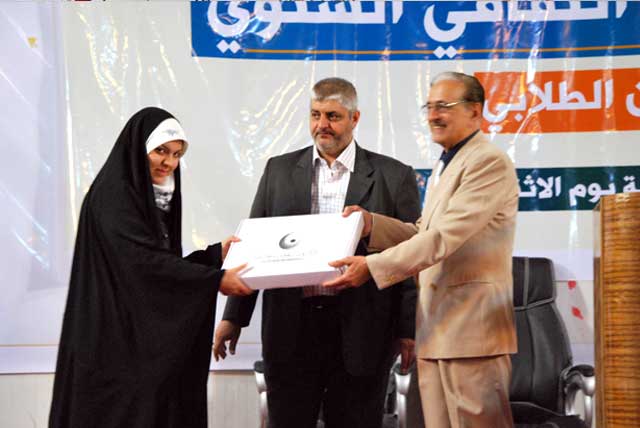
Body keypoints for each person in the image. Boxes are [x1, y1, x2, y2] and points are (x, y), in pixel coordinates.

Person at [213, 78, 421, 428]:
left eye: (333, 116)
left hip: (362, 329)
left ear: (355, 119)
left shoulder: (394, 175)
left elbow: (410, 256)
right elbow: (252, 248)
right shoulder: (278, 170)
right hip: (291, 328)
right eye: (315, 114)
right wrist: (233, 318)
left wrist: (407, 329)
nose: (322, 124)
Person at [325, 72, 519, 428]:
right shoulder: (448, 163)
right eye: (428, 107)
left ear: (475, 111)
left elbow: (444, 237)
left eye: (443, 106)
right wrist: (371, 224)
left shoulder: (487, 162)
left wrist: (372, 266)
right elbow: (422, 232)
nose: (433, 116)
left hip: (472, 333)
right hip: (437, 330)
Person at [48, 107, 253, 428]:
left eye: (176, 154)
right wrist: (214, 279)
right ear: (138, 149)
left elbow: (157, 264)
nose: (168, 162)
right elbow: (142, 265)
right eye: (160, 151)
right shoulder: (115, 196)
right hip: (110, 346)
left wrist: (214, 256)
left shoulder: (149, 197)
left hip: (130, 345)